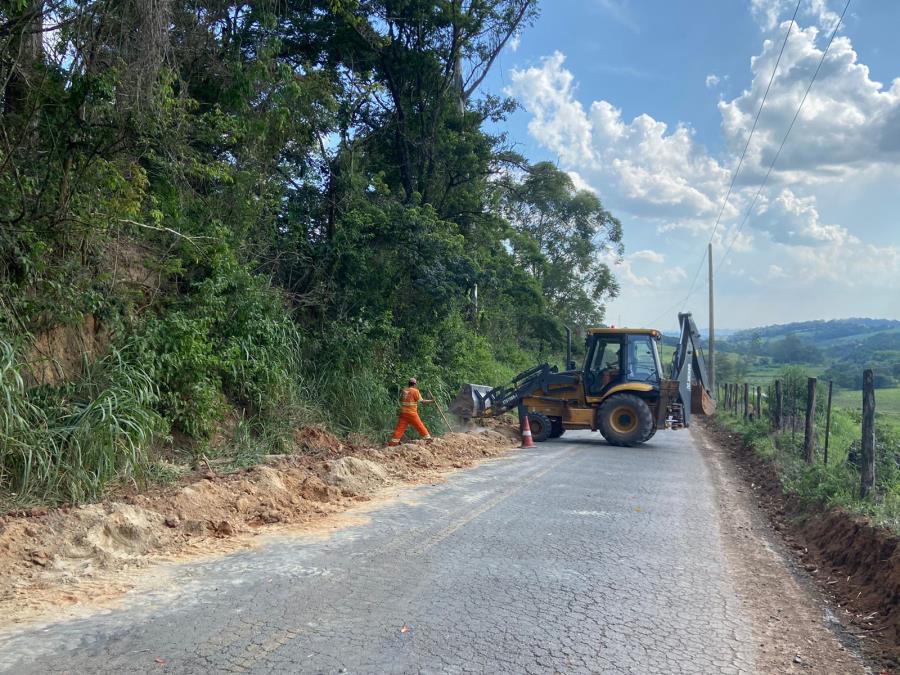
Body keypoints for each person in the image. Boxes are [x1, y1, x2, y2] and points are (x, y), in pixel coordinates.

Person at [388, 377, 433, 447]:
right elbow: (422, 401)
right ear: (414, 384)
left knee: (399, 429)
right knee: (419, 425)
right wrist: (432, 401)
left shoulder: (404, 390)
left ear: (409, 384)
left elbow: (402, 400)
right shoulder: (415, 391)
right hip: (412, 413)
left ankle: (392, 444)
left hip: (403, 413)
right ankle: (428, 439)